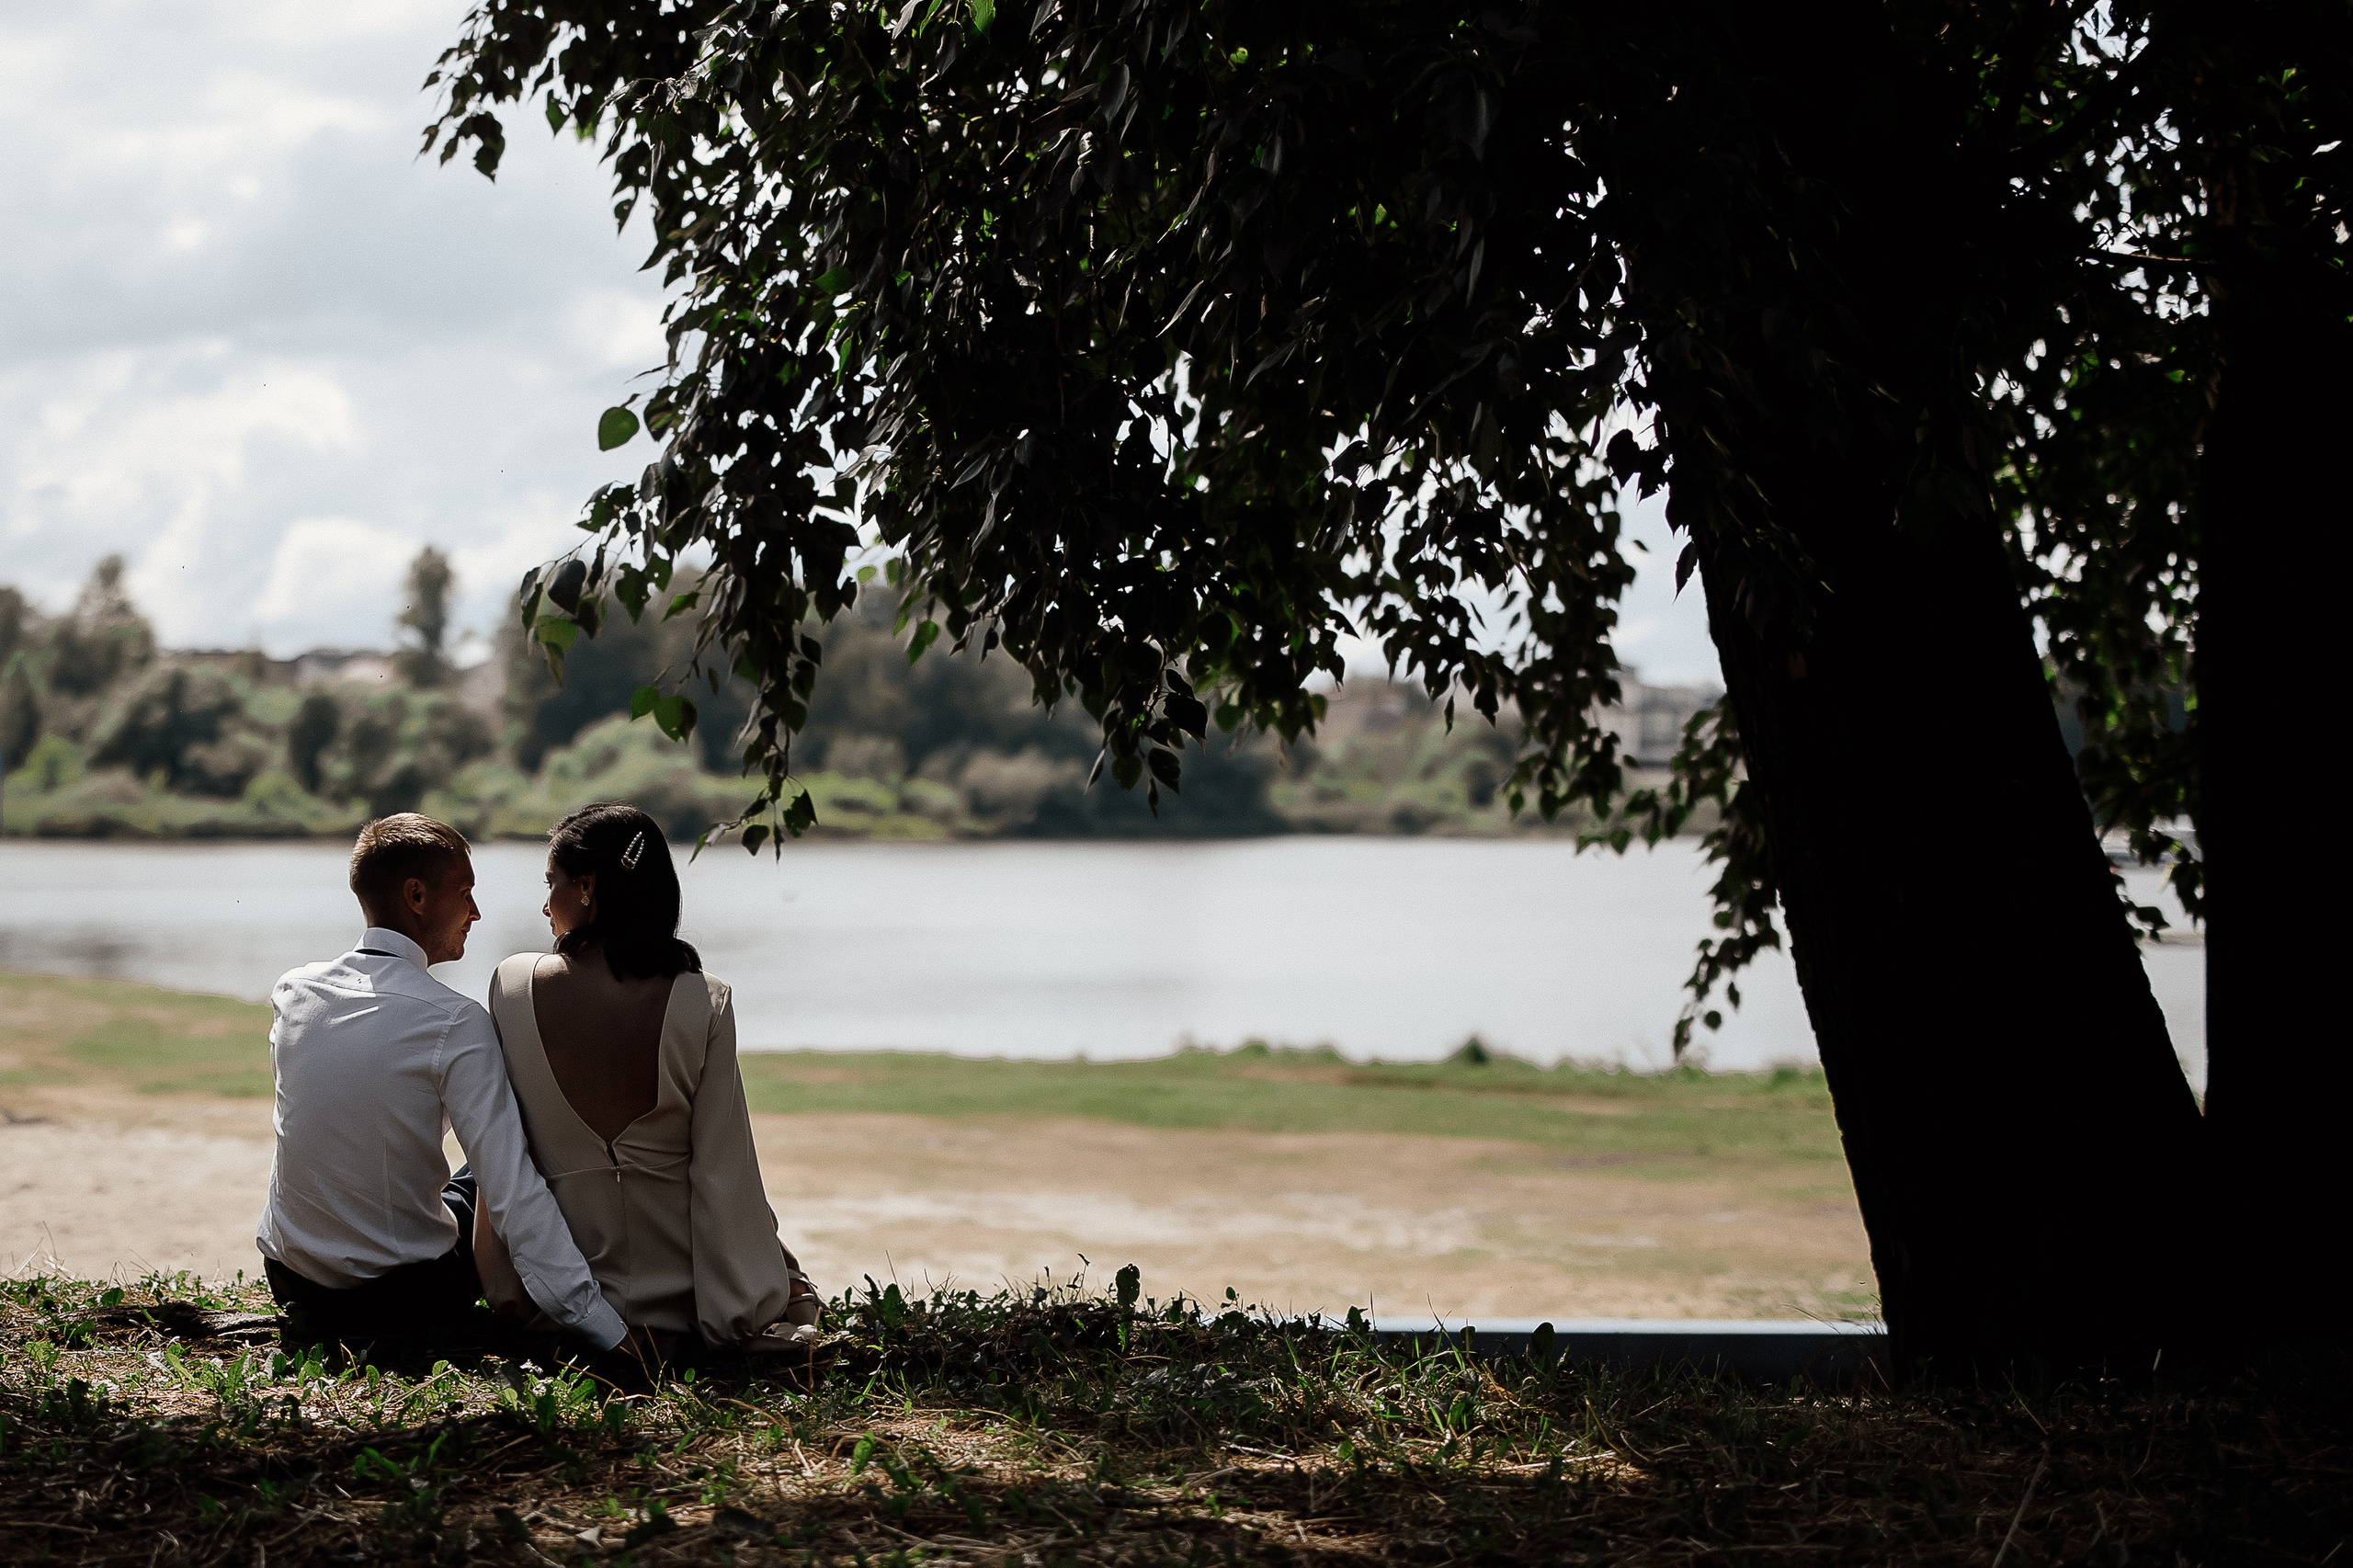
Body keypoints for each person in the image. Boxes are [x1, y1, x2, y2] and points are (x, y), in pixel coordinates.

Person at [256, 813, 627, 1351]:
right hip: (401, 1296)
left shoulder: (294, 991)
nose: (476, 912)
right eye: (465, 892)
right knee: (511, 1156)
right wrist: (603, 1328)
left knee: (466, 1172)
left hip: (292, 1281)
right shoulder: (454, 1020)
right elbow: (513, 1192)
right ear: (417, 896)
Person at [473, 802, 818, 1354]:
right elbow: (722, 1174)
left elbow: (507, 1167)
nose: (545, 904)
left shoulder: (513, 986)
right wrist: (741, 1311)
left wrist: (513, 1297)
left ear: (586, 886)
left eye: (551, 883)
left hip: (557, 1312)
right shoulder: (702, 1000)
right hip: (684, 1311)